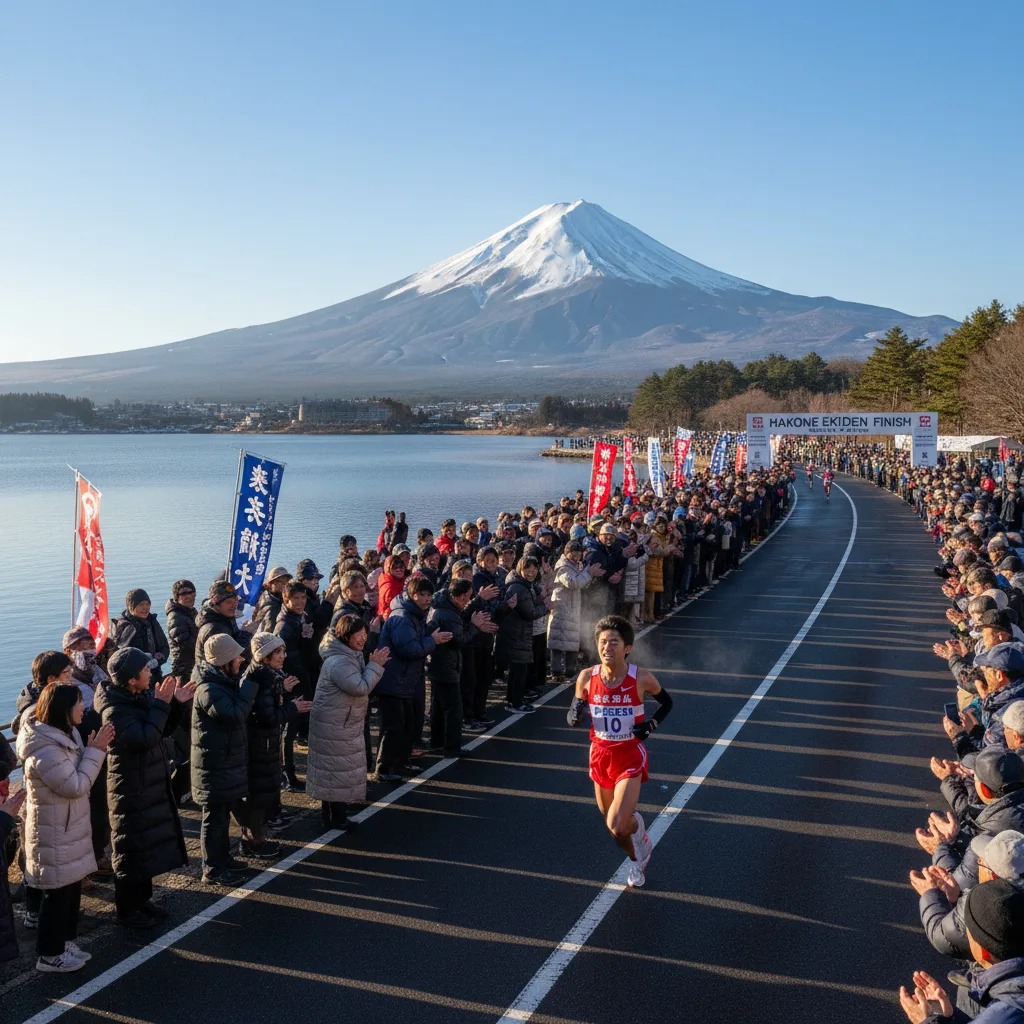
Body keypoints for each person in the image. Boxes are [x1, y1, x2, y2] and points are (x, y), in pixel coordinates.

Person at [566, 615, 673, 888]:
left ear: (627, 648)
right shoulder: (586, 677)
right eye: (603, 641)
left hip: (628, 755)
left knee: (616, 823)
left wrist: (651, 725)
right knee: (615, 827)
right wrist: (574, 714)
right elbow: (574, 709)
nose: (607, 647)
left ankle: (637, 853)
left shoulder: (641, 677)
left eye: (614, 642)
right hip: (600, 755)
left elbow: (667, 703)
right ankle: (637, 841)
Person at [16, 682, 114, 972]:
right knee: (57, 896)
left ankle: (65, 943)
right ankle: (49, 956)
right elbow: (76, 786)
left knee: (70, 892)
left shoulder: (66, 735)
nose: (84, 707)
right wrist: (96, 752)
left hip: (67, 826)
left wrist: (92, 751)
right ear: (63, 709)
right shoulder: (45, 749)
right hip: (53, 831)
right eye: (78, 702)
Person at [96, 647, 192, 927]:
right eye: (145, 670)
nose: (151, 673)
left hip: (147, 782)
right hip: (129, 788)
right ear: (131, 679)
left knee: (145, 846)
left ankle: (142, 901)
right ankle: (127, 910)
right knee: (130, 848)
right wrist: (162, 704)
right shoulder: (115, 710)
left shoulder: (138, 697)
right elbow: (144, 738)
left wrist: (175, 704)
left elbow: (161, 730)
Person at [899, 880, 1024, 1023]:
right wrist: (951, 1019)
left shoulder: (1001, 1016)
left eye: (968, 931)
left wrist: (927, 1021)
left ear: (982, 951)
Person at [307, 614, 390, 827]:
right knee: (335, 771)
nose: (364, 638)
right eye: (359, 634)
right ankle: (336, 818)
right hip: (335, 724)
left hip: (338, 721)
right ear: (346, 635)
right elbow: (360, 687)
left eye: (365, 634)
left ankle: (332, 817)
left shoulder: (347, 654)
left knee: (333, 771)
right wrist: (375, 666)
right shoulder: (339, 661)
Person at [191, 634, 258, 885]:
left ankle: (223, 859)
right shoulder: (209, 689)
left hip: (222, 763)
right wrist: (249, 686)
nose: (242, 660)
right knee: (214, 819)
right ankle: (211, 869)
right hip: (213, 766)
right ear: (223, 661)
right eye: (237, 656)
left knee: (222, 815)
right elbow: (235, 715)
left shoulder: (221, 682)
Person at [374, 577, 452, 782]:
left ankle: (400, 763)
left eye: (429, 595)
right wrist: (432, 640)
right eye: (422, 595)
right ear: (412, 595)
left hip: (405, 680)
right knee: (393, 727)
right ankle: (383, 769)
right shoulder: (402, 617)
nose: (426, 599)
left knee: (407, 724)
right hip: (393, 680)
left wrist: (430, 634)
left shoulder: (415, 615)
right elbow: (409, 649)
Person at [239, 633, 310, 858]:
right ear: (265, 656)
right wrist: (292, 708)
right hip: (260, 745)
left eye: (283, 651)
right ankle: (254, 842)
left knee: (262, 792)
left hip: (265, 743)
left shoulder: (266, 676)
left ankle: (254, 839)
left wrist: (283, 693)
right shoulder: (260, 680)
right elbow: (266, 718)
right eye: (278, 652)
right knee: (258, 795)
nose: (283, 656)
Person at [427, 579, 495, 755]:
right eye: (466, 597)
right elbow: (459, 641)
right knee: (454, 709)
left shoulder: (443, 607)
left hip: (438, 663)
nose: (467, 601)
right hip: (447, 664)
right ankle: (452, 747)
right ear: (459, 596)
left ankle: (437, 742)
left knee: (439, 706)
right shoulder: (449, 615)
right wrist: (475, 626)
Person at [496, 556, 551, 713]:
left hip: (519, 633)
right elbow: (530, 613)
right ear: (520, 569)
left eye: (534, 569)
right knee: (518, 671)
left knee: (518, 670)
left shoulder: (525, 585)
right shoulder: (518, 588)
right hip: (517, 634)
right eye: (527, 569)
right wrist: (547, 607)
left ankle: (514, 701)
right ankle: (515, 703)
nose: (531, 572)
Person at [548, 541, 604, 680]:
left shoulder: (574, 565)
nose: (578, 556)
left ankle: (570, 670)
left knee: (571, 640)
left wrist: (589, 574)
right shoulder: (563, 567)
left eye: (579, 554)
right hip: (562, 608)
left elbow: (580, 583)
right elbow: (572, 583)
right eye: (575, 553)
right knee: (558, 641)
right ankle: (556, 671)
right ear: (568, 553)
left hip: (572, 608)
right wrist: (588, 573)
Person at [111, 589, 170, 681]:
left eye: (147, 604)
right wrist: (148, 663)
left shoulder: (152, 621)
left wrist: (160, 657)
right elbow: (125, 659)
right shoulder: (124, 627)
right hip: (135, 679)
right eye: (141, 605)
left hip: (155, 672)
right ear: (131, 606)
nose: (145, 608)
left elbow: (164, 646)